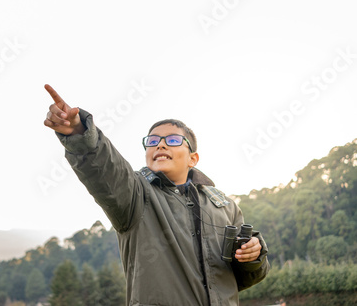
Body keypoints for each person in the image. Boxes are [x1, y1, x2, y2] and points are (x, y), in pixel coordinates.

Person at [43, 84, 269, 306]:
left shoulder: (224, 206)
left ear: (193, 158)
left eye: (172, 140)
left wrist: (253, 257)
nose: (160, 144)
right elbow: (104, 167)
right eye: (152, 141)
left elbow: (246, 277)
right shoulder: (135, 195)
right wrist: (79, 133)